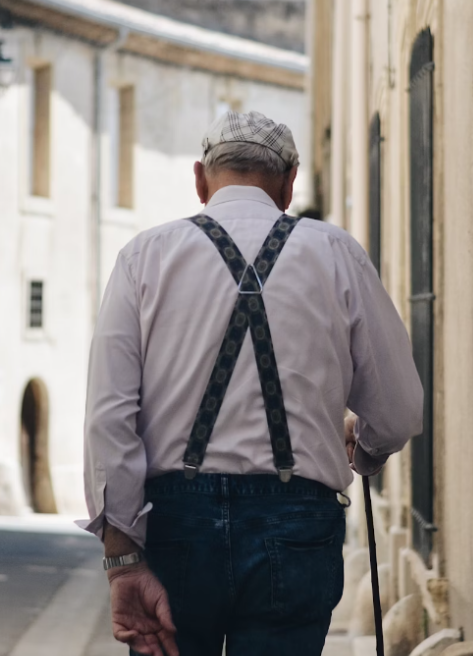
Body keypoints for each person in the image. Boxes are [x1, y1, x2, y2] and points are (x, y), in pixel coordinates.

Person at [80, 110, 423, 656]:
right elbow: (400, 410)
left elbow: (109, 417)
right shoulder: (336, 252)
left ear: (200, 179)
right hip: (297, 524)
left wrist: (122, 560)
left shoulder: (145, 257)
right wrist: (367, 449)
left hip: (177, 525)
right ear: (289, 183)